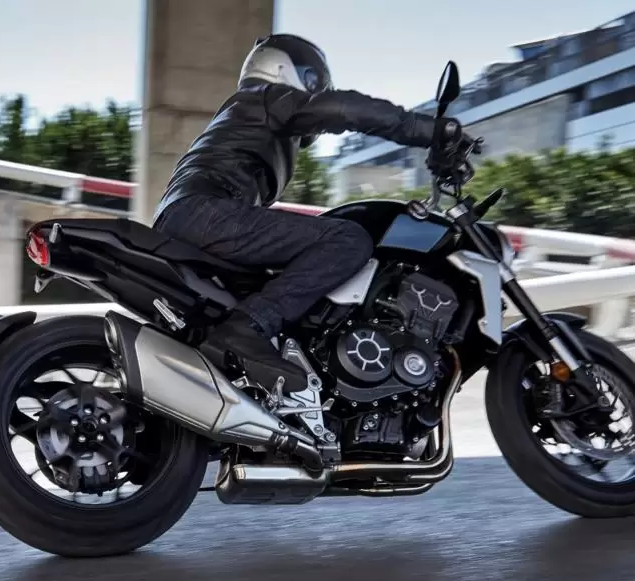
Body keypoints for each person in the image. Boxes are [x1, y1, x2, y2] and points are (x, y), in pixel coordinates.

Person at [152, 34, 470, 394]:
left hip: (197, 216)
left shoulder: (251, 113)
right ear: (284, 70)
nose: (318, 90)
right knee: (348, 238)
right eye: (315, 80)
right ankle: (245, 330)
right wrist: (430, 131)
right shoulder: (265, 97)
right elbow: (344, 109)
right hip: (204, 213)